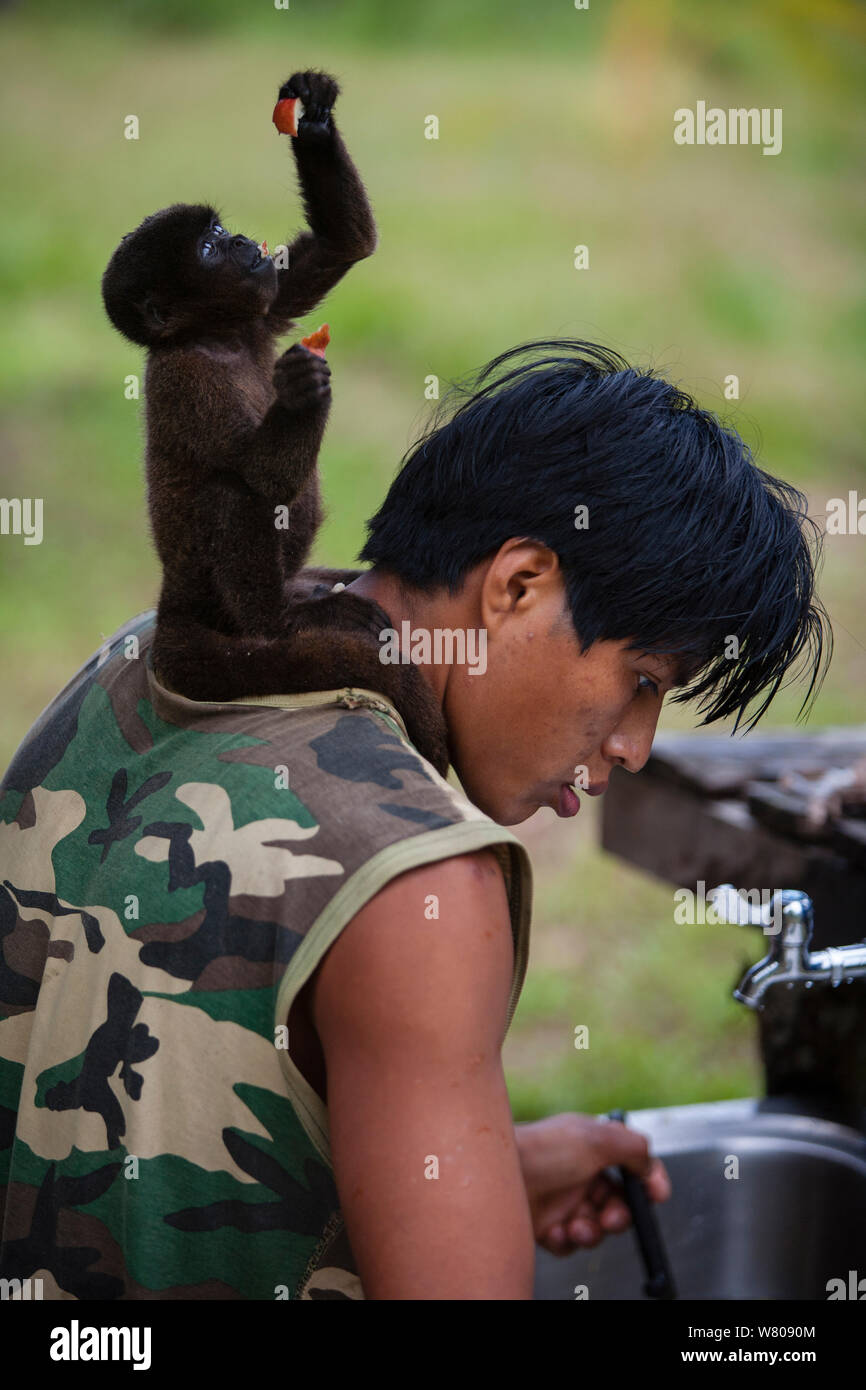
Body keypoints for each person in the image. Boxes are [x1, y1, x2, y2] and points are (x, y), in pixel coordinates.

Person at [0, 340, 829, 1300]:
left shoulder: (148, 658)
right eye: (642, 682)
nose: (635, 746)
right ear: (519, 585)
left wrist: (478, 1176)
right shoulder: (417, 878)